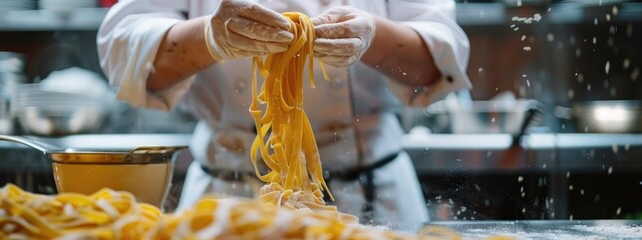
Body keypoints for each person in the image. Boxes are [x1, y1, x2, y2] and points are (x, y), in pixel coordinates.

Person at [98, 0, 470, 232]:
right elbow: (122, 50)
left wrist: (375, 37)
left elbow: (442, 60)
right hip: (225, 202)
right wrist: (208, 38)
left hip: (373, 197)